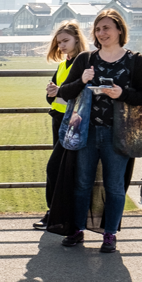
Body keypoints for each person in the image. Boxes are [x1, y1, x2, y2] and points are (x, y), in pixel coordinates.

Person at [52, 9, 142, 253]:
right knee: (82, 183)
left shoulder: (135, 61)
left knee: (115, 186)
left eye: (106, 27)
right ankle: (77, 230)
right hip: (86, 131)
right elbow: (64, 92)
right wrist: (83, 81)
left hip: (117, 134)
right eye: (98, 29)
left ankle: (110, 234)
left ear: (120, 29)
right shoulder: (86, 59)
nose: (101, 33)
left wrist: (123, 94)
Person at [34, 21, 88, 230]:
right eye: (59, 43)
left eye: (66, 41)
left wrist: (58, 92)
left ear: (77, 38)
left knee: (56, 168)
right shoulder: (63, 64)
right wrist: (51, 91)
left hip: (72, 123)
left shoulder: (82, 63)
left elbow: (80, 94)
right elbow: (56, 95)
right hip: (58, 119)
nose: (62, 46)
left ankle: (55, 215)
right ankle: (58, 215)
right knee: (61, 169)